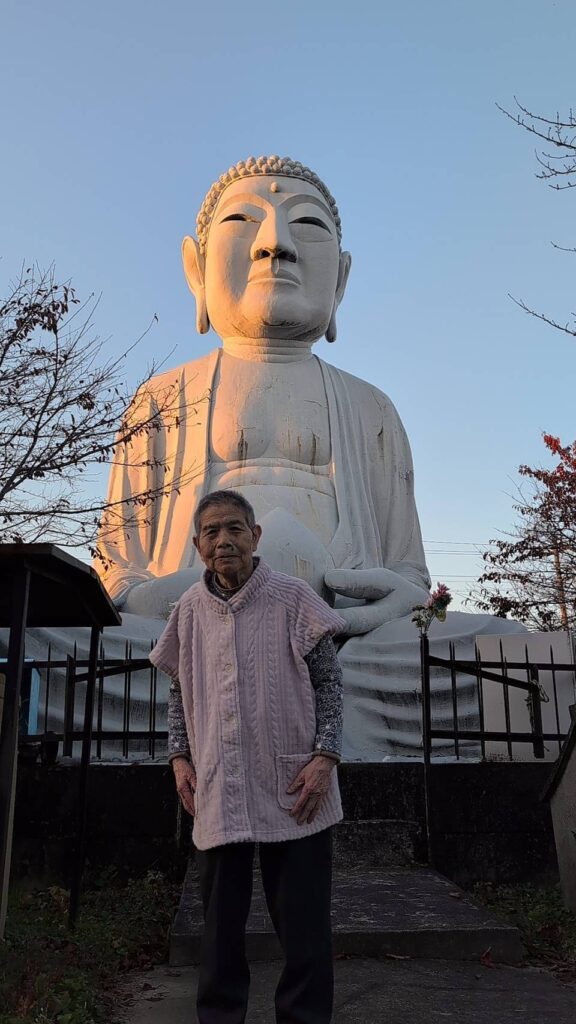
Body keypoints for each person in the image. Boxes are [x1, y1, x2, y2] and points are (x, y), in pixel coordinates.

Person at [90, 153, 525, 758]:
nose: (276, 245)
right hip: (194, 627)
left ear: (339, 279)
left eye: (307, 224)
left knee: (506, 645)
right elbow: (118, 570)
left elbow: (408, 577)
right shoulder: (160, 400)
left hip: (349, 638)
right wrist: (191, 595)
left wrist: (380, 604)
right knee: (62, 648)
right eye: (243, 221)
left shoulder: (372, 406)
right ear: (196, 271)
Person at [149, 488, 346, 1024]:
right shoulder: (188, 608)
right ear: (197, 544)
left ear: (256, 536)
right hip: (220, 782)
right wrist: (179, 757)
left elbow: (329, 682)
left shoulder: (293, 596)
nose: (223, 541)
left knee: (305, 929)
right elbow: (178, 691)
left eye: (235, 528)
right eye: (211, 532)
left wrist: (325, 755)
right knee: (218, 931)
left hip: (294, 782)